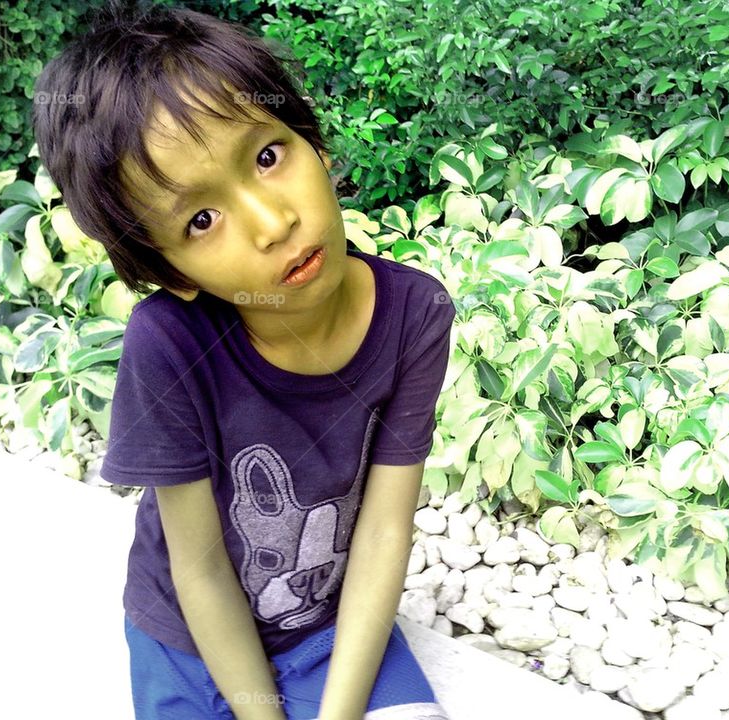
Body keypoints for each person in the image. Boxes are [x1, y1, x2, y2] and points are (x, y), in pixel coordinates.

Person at [31, 3, 455, 719]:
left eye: (267, 156)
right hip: (192, 641)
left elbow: (384, 529)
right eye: (201, 219)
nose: (273, 222)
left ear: (312, 141)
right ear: (172, 273)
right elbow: (198, 569)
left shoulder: (415, 315)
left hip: (328, 626)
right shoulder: (171, 344)